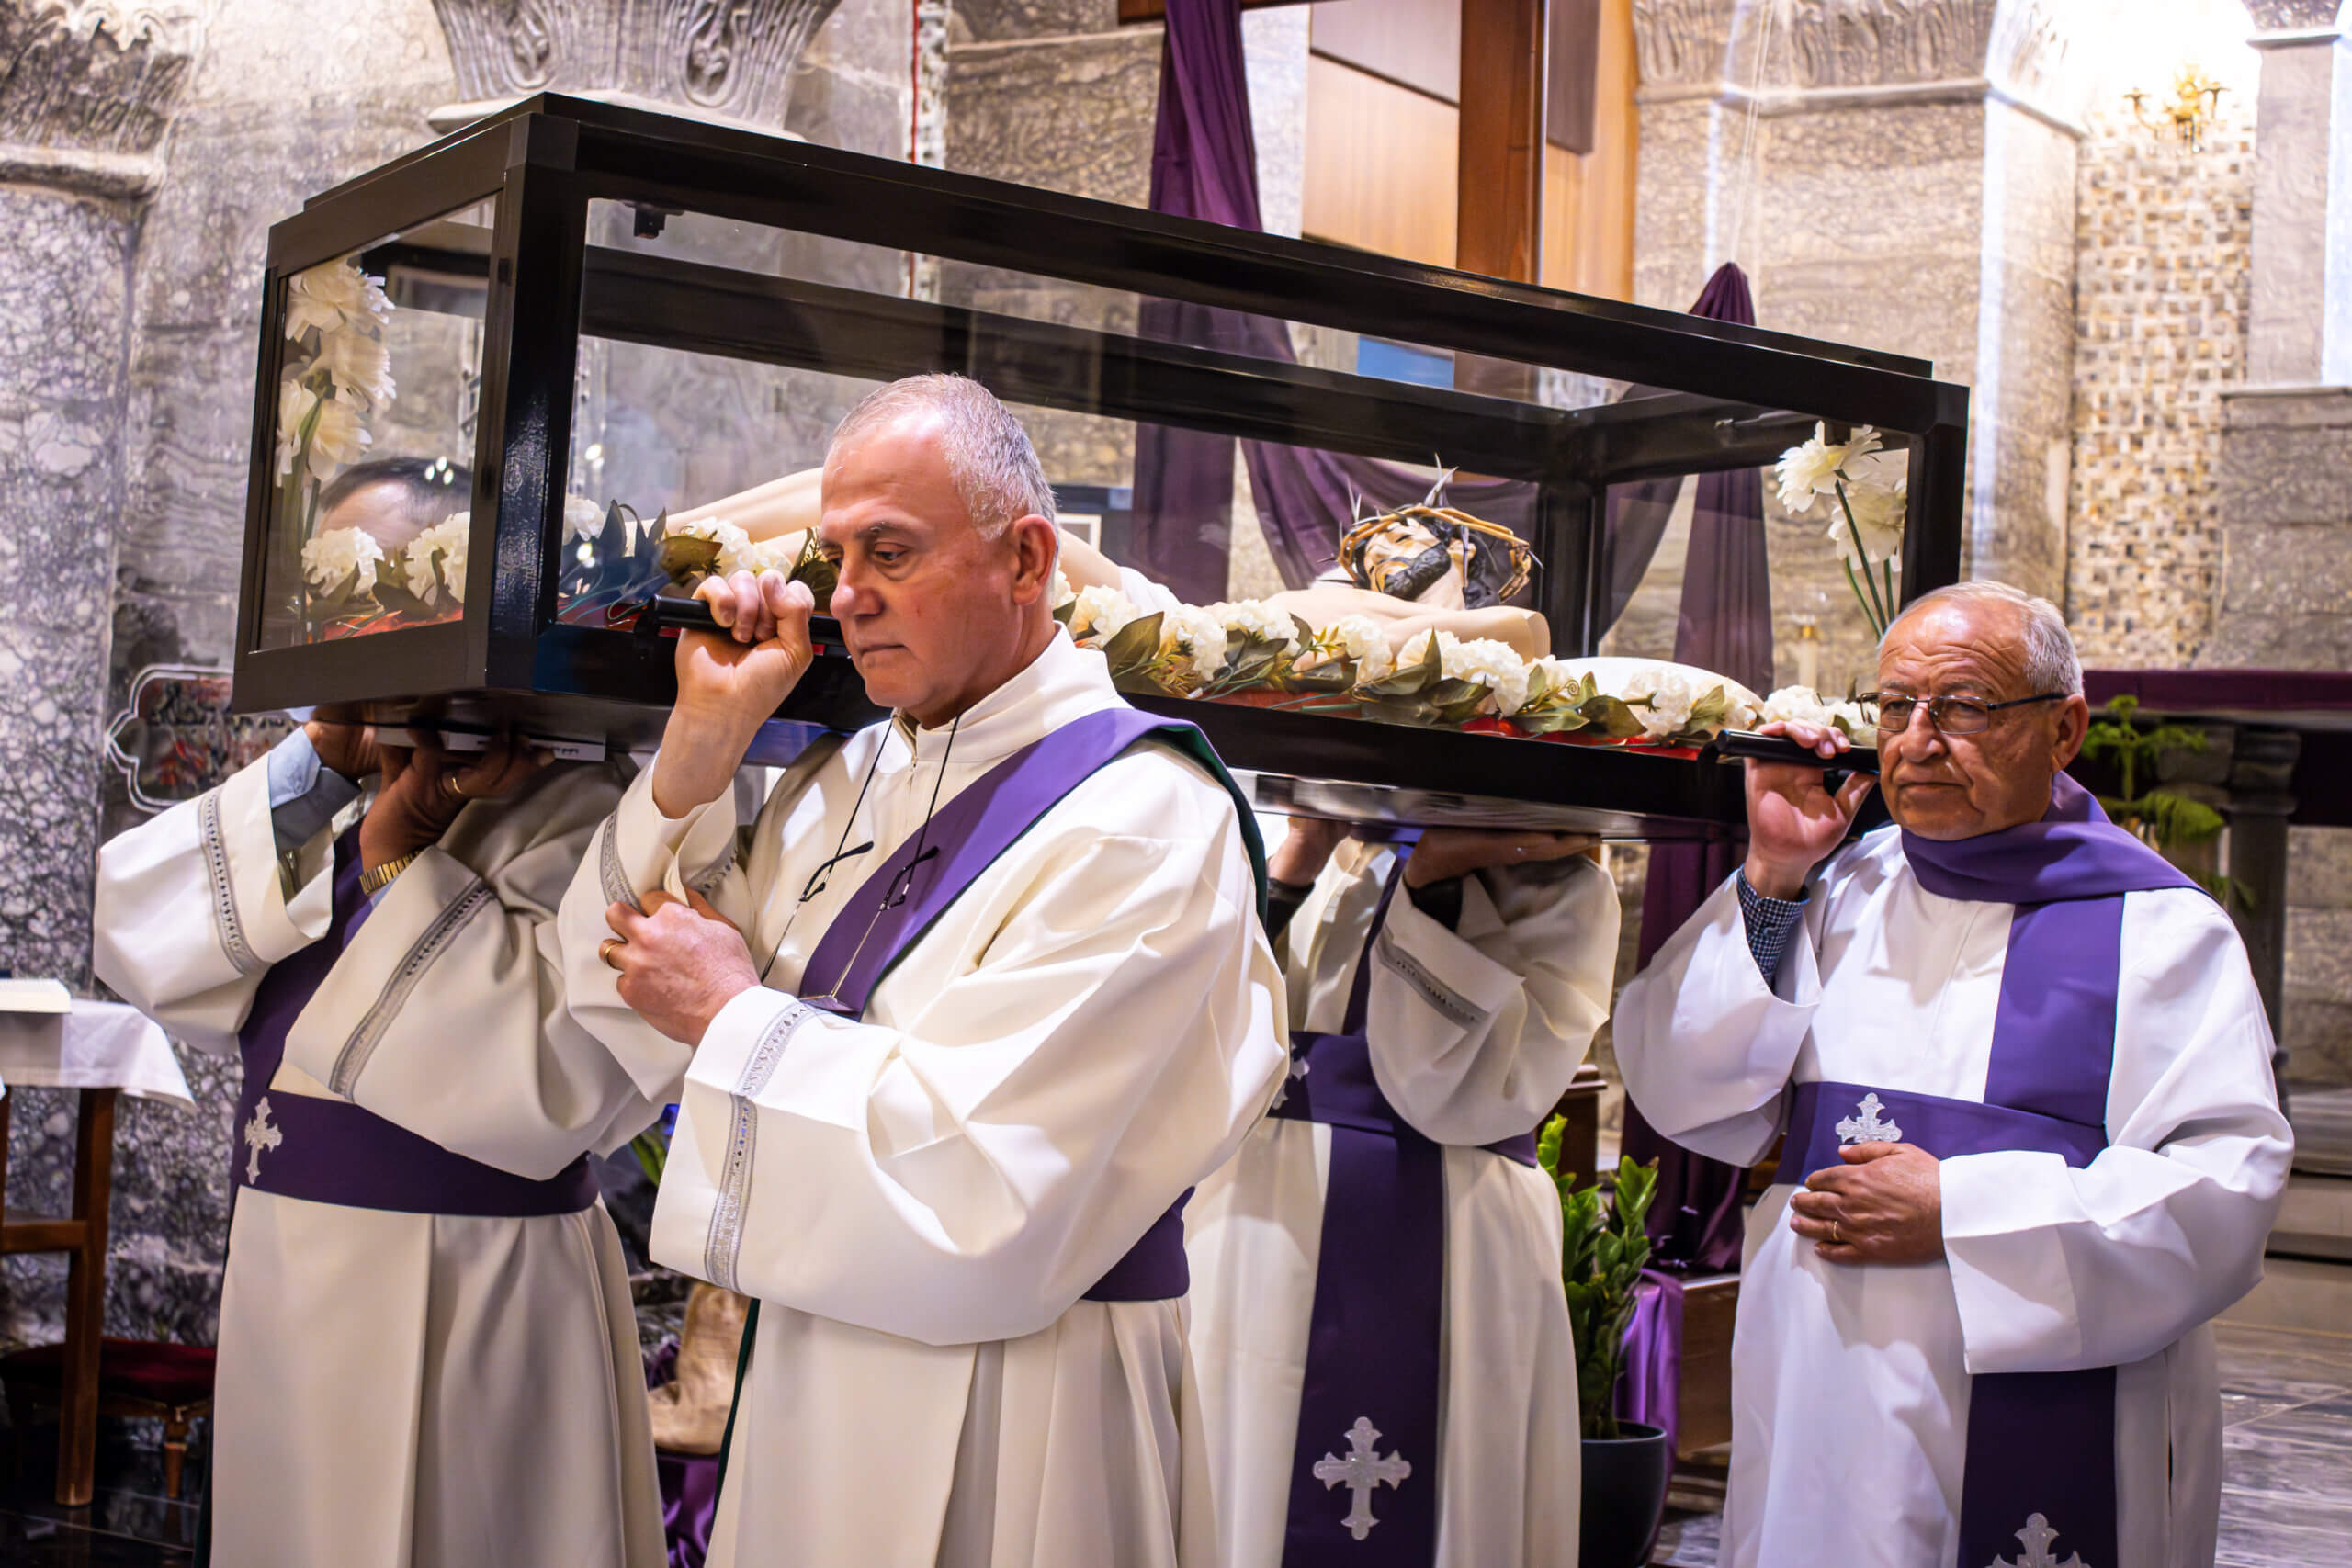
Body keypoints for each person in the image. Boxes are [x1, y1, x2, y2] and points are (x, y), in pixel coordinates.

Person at [558, 373, 1287, 1567]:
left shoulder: (1146, 816)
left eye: (890, 550)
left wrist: (735, 1017)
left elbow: (987, 1182)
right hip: (805, 1375)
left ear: (1025, 556)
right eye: (836, 556)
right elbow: (612, 993)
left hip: (1027, 1403)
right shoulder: (846, 781)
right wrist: (702, 746)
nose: (847, 596)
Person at [1613, 581, 2291, 1568]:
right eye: (1895, 706)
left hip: (2033, 1397)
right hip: (1821, 1393)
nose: (1918, 741)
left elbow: (2228, 1186)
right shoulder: (1834, 884)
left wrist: (1962, 1213)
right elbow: (1688, 1090)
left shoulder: (2157, 930)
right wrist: (1767, 878)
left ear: (2062, 730)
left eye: (1964, 707)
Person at [91, 460, 665, 1568]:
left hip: (478, 1283)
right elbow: (138, 928)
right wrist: (325, 767)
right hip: (293, 1267)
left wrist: (401, 849)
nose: (352, 632)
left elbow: (548, 1078)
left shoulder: (581, 800)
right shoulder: (324, 785)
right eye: (332, 603)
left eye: (382, 596)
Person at [1184, 815, 1619, 1568]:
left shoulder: (1560, 882)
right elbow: (1190, 1033)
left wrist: (1435, 883)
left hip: (1455, 1229)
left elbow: (1443, 1092)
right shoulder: (1308, 844)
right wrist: (1298, 858)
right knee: (1241, 1487)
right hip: (1264, 1224)